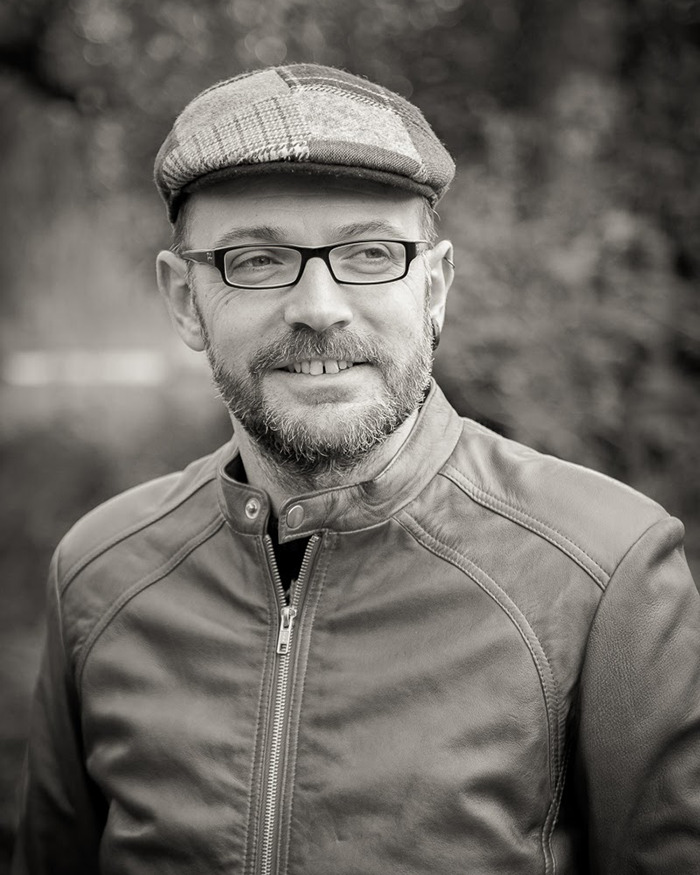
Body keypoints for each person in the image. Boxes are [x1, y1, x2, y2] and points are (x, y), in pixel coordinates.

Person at [12, 63, 700, 875]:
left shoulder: (605, 573)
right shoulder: (99, 572)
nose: (319, 307)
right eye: (256, 260)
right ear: (184, 299)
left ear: (434, 287)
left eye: (370, 252)